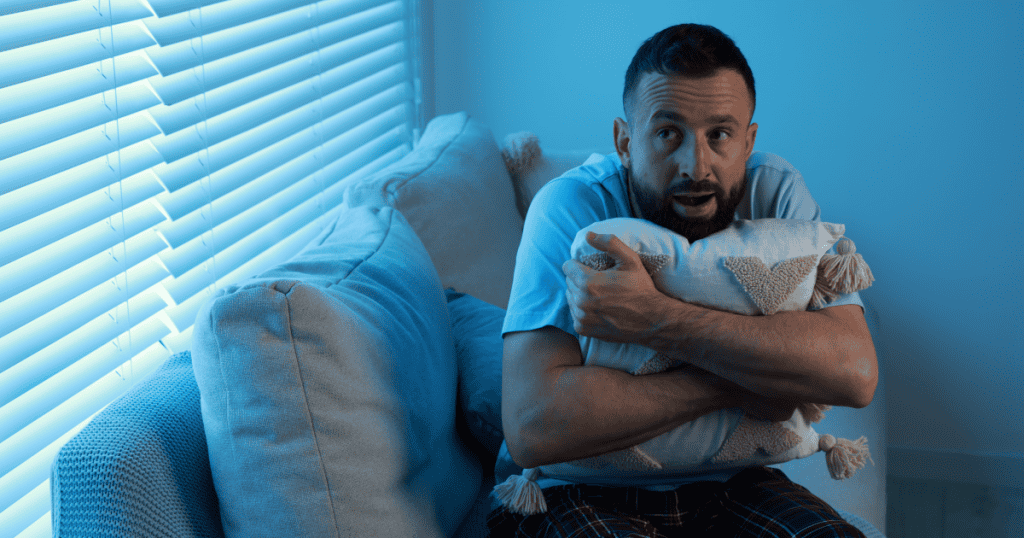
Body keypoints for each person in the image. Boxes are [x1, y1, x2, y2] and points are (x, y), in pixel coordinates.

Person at [487, 23, 878, 537]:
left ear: (749, 140)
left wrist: (655, 318)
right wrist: (743, 382)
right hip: (575, 491)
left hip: (736, 484)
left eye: (720, 134)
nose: (697, 165)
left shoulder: (776, 194)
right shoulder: (572, 208)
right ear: (625, 142)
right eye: (668, 133)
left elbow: (854, 373)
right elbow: (533, 427)